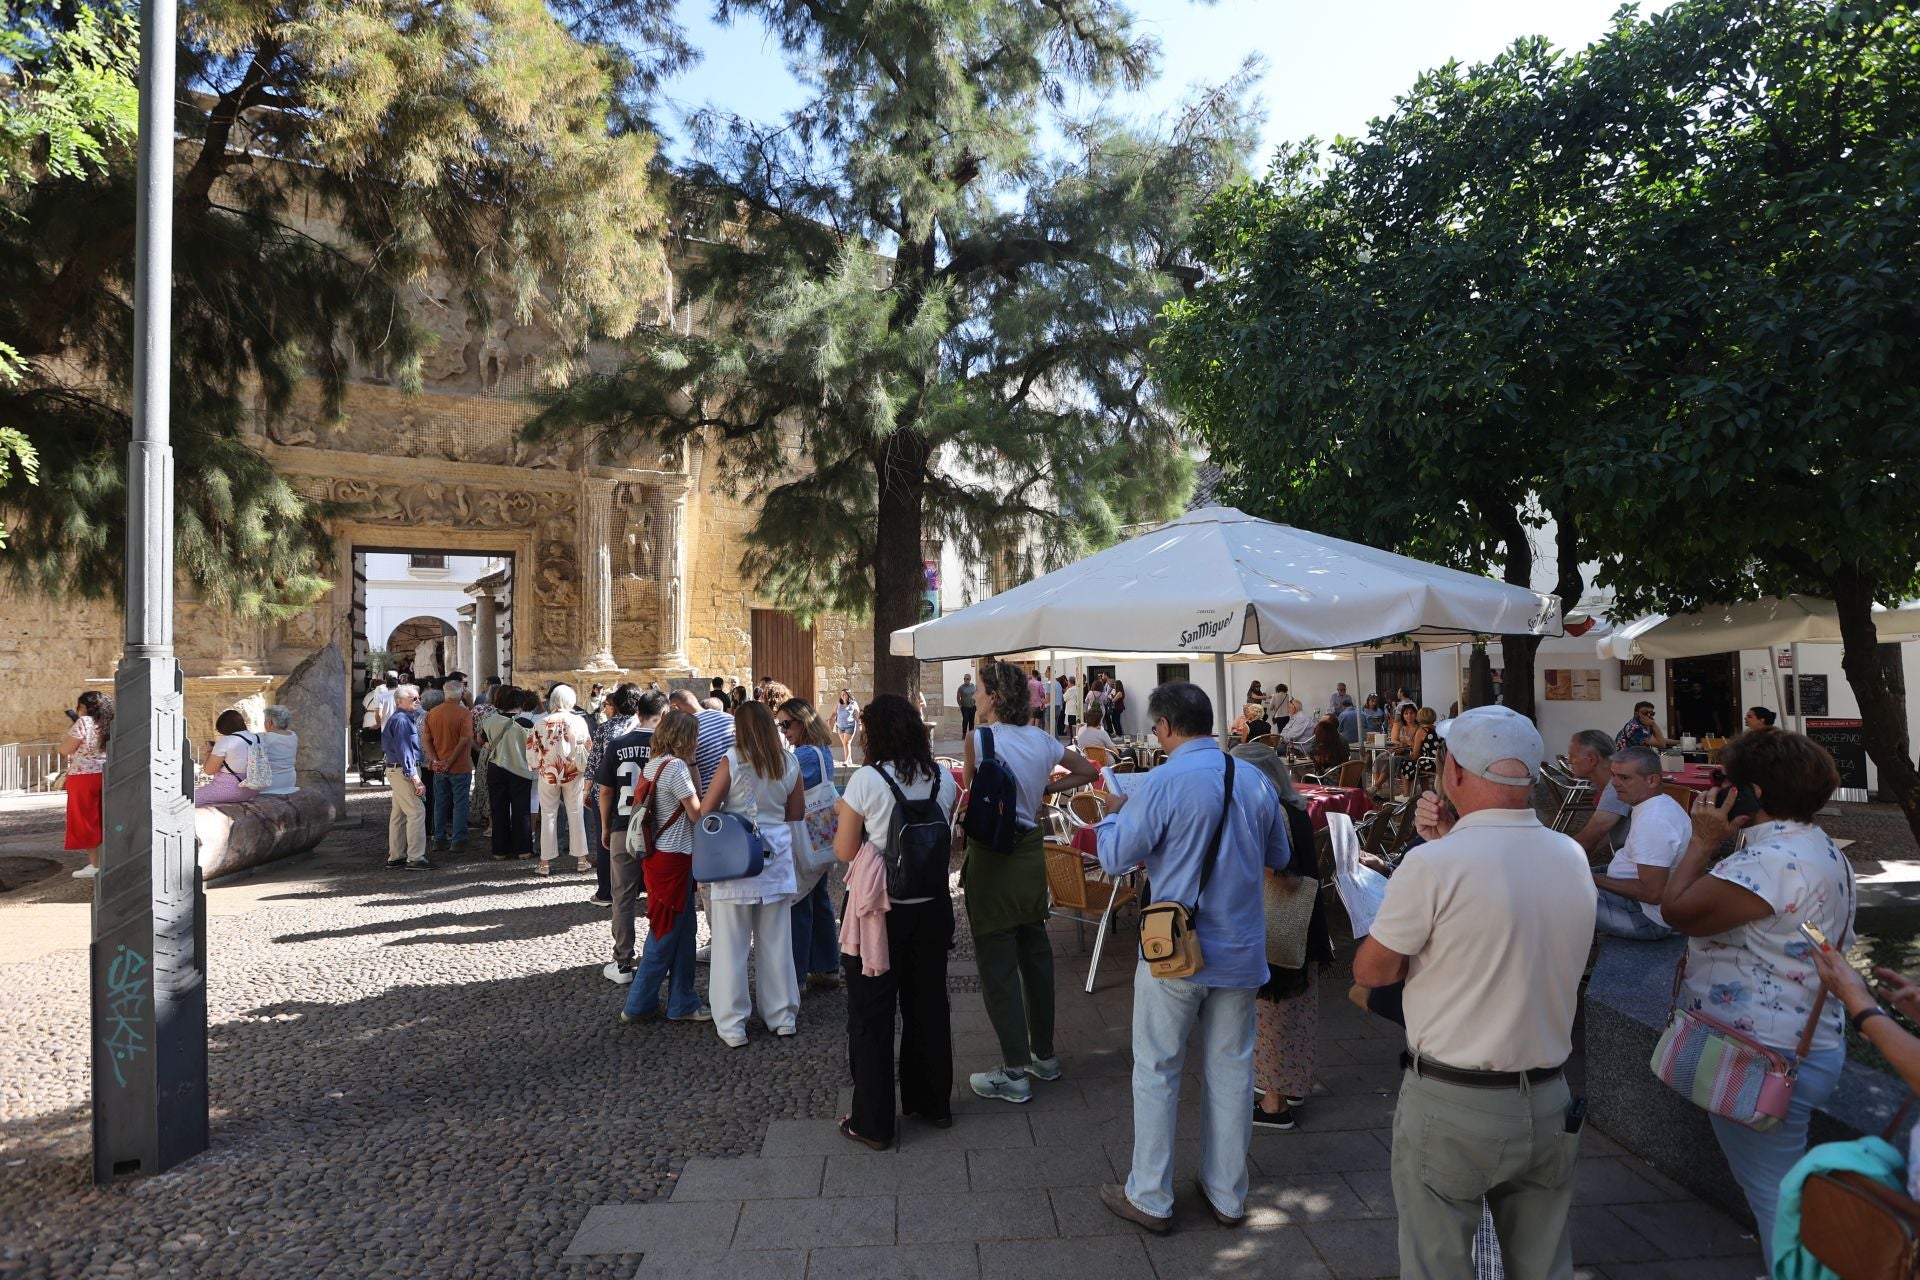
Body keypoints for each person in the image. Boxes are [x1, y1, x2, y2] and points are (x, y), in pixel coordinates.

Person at [1353, 705, 1595, 1278]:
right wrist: (1446, 842)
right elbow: (1503, 921)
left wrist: (1435, 852)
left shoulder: (1433, 865)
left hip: (1454, 1102)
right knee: (1543, 1265)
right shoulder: (1571, 855)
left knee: (1438, 1263)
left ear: (1455, 772)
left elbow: (1372, 972)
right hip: (1549, 1096)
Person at [1091, 682, 1293, 1233]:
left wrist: (1113, 813)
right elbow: (1280, 854)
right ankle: (1227, 1194)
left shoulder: (1162, 781)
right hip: (1242, 948)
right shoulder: (1252, 779)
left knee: (1157, 1068)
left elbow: (1114, 857)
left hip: (1174, 948)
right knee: (1232, 1071)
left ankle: (1150, 1196)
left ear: (1164, 727)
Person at [1657, 728, 1854, 1263]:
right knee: (1779, 1188)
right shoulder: (1819, 846)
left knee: (1775, 1197)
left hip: (1762, 1056)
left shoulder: (1767, 863)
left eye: (1726, 781)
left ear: (1755, 792)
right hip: (1808, 1040)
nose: (1716, 790)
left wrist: (1702, 841)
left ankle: (1796, 1272)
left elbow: (1675, 910)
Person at [962, 662, 1099, 1103]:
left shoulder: (980, 739)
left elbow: (974, 792)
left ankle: (1014, 1070)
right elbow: (1089, 771)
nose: (975, 697)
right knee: (1035, 956)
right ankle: (1044, 1054)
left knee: (997, 963)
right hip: (1029, 854)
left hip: (992, 858)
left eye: (980, 691)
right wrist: (1045, 791)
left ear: (995, 697)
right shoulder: (1042, 740)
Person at [833, 694, 961, 1149]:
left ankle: (873, 1123)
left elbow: (845, 850)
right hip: (932, 905)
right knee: (928, 1006)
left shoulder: (868, 779)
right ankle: (932, 1103)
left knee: (872, 1013)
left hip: (881, 911)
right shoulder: (942, 777)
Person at [1231, 743, 1330, 1134]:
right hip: (1305, 922)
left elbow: (1283, 875)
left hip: (1279, 925)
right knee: (1298, 1014)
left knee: (1273, 1016)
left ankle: (1275, 1104)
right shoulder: (1296, 807)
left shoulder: (1270, 813)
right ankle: (1291, 1088)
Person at [700, 702, 804, 1048]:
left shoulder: (733, 759)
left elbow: (707, 810)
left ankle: (733, 1024)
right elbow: (796, 812)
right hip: (776, 856)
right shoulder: (789, 762)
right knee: (777, 941)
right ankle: (782, 1016)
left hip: (737, 857)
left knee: (731, 944)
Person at [618, 709, 711, 1024]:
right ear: (685, 738)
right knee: (666, 931)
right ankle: (638, 1003)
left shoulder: (654, 764)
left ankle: (682, 1001)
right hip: (676, 858)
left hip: (658, 856)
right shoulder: (676, 767)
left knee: (683, 930)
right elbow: (697, 814)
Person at [1592, 746, 1689, 939]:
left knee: (1555, 891)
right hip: (1638, 901)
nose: (1614, 783)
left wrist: (1589, 878)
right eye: (1613, 775)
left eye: (1624, 778)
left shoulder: (1654, 821)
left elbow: (1652, 893)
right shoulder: (1659, 804)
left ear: (1652, 780)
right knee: (1562, 876)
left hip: (1646, 919)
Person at [778, 696, 841, 990]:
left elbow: (781, 790)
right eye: (780, 725)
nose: (784, 730)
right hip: (821, 837)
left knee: (799, 902)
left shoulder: (801, 755)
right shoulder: (822, 750)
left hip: (803, 838)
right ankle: (827, 966)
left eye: (787, 724)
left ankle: (797, 976)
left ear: (802, 723)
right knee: (818, 897)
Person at [591, 687, 654, 974]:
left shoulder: (616, 744)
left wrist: (606, 825)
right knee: (658, 896)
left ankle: (623, 960)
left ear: (637, 713)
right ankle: (657, 958)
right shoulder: (663, 746)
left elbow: (605, 791)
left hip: (622, 824)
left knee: (623, 896)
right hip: (655, 827)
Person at [585, 683, 644, 910]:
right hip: (638, 792)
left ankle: (607, 891)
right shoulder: (644, 728)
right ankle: (637, 887)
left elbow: (593, 763)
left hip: (607, 791)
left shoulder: (605, 729)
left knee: (606, 840)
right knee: (641, 835)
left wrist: (586, 790)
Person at [527, 683, 591, 876]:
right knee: (576, 812)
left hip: (548, 772)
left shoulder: (541, 722)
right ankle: (581, 860)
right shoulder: (579, 721)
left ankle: (545, 862)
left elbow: (532, 749)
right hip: (573, 771)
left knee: (548, 814)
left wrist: (536, 765)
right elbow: (588, 746)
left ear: (553, 701)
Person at [480, 686, 536, 862]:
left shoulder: (489, 721)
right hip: (520, 769)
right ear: (520, 703)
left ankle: (500, 850)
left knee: (498, 809)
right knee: (522, 810)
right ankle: (523, 850)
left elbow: (483, 740)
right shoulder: (526, 723)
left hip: (495, 767)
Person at [60, 691, 111, 878]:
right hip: (107, 774)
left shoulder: (84, 722)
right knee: (106, 818)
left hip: (83, 776)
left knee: (86, 820)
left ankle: (95, 865)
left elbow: (65, 749)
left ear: (83, 707)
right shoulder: (110, 722)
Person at [379, 687, 431, 868]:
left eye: (418, 698)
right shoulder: (401, 720)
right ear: (399, 701)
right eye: (413, 698)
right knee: (416, 812)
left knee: (399, 814)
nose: (418, 701)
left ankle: (396, 856)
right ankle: (415, 858)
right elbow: (405, 751)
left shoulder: (401, 719)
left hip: (398, 770)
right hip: (403, 770)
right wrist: (415, 778)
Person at [421, 678, 473, 851]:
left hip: (439, 766)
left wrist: (436, 760)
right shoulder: (464, 713)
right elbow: (464, 740)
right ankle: (459, 839)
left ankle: (439, 838)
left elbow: (426, 740)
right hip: (460, 765)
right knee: (460, 802)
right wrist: (449, 761)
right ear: (460, 694)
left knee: (440, 802)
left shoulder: (432, 713)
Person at [1567, 729, 1633, 857]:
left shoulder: (1616, 787)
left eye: (1572, 756)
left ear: (1592, 759)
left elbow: (1587, 841)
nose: (1569, 761)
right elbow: (1597, 840)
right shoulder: (1616, 780)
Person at [196, 709, 267, 807]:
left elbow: (209, 770)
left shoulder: (226, 741)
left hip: (230, 789)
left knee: (188, 799)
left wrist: (208, 752)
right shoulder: (259, 738)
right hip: (254, 788)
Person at [1398, 707, 1439, 797]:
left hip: (1430, 763)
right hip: (1440, 762)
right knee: (1418, 767)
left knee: (1405, 764)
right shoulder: (1438, 729)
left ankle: (1406, 795)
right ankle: (1427, 795)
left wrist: (1409, 743)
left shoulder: (1422, 731)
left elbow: (1415, 754)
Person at [259, 705, 299, 796]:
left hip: (270, 784)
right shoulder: (293, 735)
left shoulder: (264, 738)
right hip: (290, 781)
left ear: (270, 722)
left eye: (265, 720)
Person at [833, 690, 860, 764]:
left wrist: (860, 724)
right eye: (841, 694)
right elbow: (834, 713)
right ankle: (849, 760)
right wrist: (830, 719)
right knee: (845, 744)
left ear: (848, 695)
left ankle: (846, 761)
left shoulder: (853, 703)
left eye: (844, 694)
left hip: (850, 726)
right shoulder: (839, 703)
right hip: (840, 727)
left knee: (846, 743)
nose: (842, 696)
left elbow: (858, 715)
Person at [1061, 674, 1081, 740]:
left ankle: (1072, 739)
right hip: (1076, 710)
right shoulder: (1078, 688)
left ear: (1070, 682)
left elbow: (1064, 698)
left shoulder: (1070, 690)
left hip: (1070, 710)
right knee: (1076, 726)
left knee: (1070, 726)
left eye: (1068, 682)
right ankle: (1075, 739)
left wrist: (1066, 690)